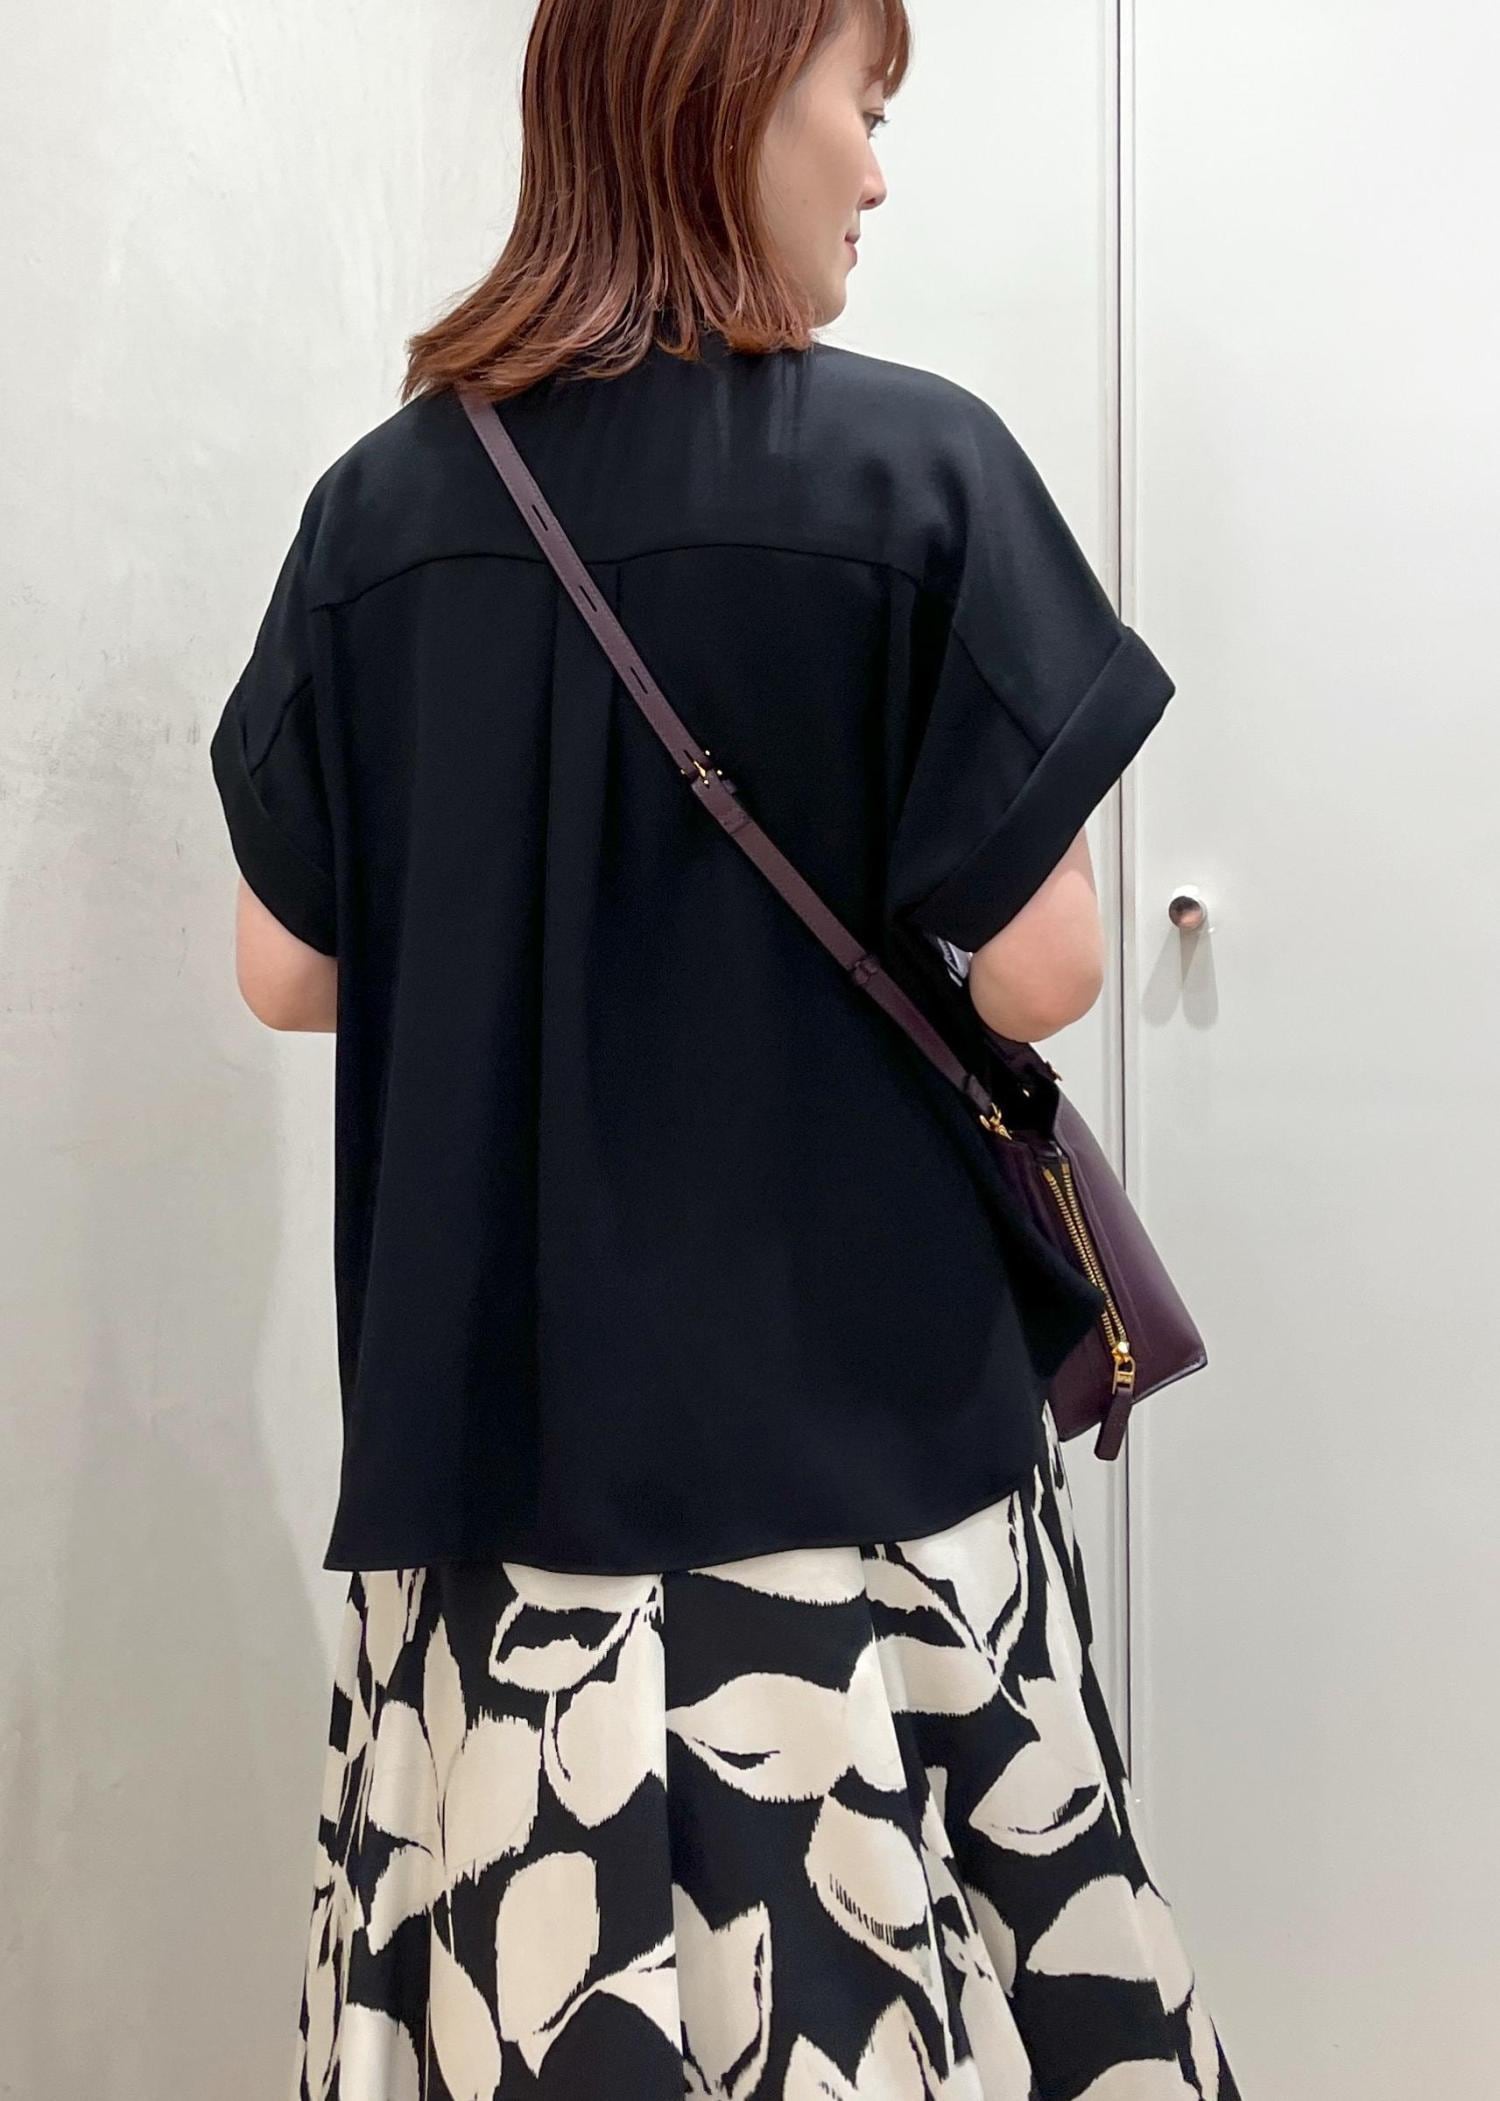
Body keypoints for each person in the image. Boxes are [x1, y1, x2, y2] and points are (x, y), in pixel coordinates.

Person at [209, 0, 1242, 2092]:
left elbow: (283, 971)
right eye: (862, 100)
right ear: (723, 91)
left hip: (501, 1539)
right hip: (865, 1502)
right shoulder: (917, 472)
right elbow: (1043, 970)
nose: (877, 168)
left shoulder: (372, 517)